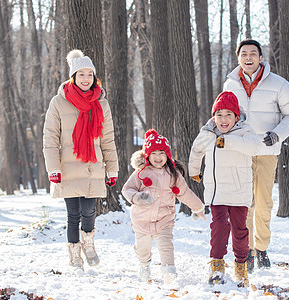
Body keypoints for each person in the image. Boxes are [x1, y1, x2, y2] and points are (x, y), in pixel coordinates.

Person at [223, 39, 289, 272]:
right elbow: (224, 117)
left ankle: (262, 249)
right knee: (244, 203)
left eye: (253, 54)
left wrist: (277, 135)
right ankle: (246, 251)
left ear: (260, 57)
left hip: (267, 151)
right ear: (238, 58)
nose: (248, 57)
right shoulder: (230, 85)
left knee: (264, 203)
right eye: (244, 53)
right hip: (241, 152)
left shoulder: (278, 84)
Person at [43, 49, 119, 269]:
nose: (85, 79)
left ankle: (89, 244)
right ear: (73, 77)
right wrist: (53, 168)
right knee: (72, 214)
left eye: (89, 75)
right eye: (81, 74)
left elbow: (108, 139)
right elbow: (50, 138)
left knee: (89, 212)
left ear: (94, 77)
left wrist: (112, 169)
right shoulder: (58, 102)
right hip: (67, 167)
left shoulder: (101, 103)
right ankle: (74, 254)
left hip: (92, 167)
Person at [188, 91, 262, 287]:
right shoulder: (208, 133)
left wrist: (227, 141)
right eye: (219, 115)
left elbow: (255, 148)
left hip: (239, 191)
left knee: (240, 231)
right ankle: (217, 265)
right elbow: (196, 150)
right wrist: (194, 170)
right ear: (214, 117)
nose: (223, 119)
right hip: (216, 192)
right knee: (219, 227)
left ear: (237, 116)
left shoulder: (245, 131)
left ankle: (240, 266)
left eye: (229, 115)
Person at [122, 129, 206, 284]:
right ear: (147, 155)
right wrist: (136, 197)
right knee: (142, 249)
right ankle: (144, 264)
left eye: (161, 153)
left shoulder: (173, 174)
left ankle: (169, 272)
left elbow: (185, 193)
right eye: (154, 153)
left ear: (167, 155)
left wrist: (198, 207)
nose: (158, 157)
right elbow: (127, 189)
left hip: (164, 219)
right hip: (142, 220)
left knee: (166, 246)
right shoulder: (141, 173)